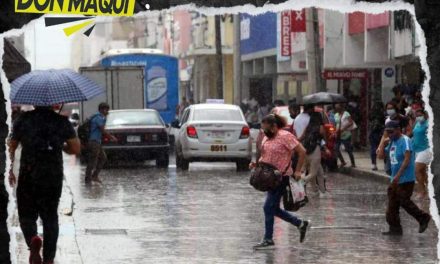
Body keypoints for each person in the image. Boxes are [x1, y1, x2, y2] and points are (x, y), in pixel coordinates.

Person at [8, 105, 81, 264]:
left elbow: (11, 146)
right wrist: (60, 145)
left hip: (29, 173)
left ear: (35, 103)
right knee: (50, 217)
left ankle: (33, 239)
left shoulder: (23, 120)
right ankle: (48, 259)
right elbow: (75, 148)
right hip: (52, 175)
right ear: (54, 103)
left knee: (26, 215)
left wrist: (9, 169)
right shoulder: (61, 122)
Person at [251, 114, 310, 249]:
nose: (264, 131)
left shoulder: (285, 136)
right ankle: (300, 224)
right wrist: (256, 165)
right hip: (268, 177)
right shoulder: (266, 137)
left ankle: (268, 239)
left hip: (281, 177)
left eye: (266, 128)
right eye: (262, 128)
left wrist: (298, 171)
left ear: (274, 126)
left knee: (268, 207)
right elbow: (266, 155)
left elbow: (302, 152)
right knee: (274, 208)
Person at [378, 120, 431, 236]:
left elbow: (407, 160)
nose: (390, 134)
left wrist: (398, 175)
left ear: (398, 130)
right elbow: (380, 156)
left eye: (391, 132)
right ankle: (395, 229)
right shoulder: (391, 142)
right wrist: (383, 142)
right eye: (388, 132)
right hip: (394, 179)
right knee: (392, 206)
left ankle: (423, 217)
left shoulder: (405, 140)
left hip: (405, 179)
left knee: (404, 201)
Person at [85, 103, 116, 184]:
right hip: (94, 142)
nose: (107, 112)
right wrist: (111, 137)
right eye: (106, 110)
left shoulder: (100, 117)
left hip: (97, 142)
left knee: (103, 158)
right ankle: (88, 179)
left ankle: (94, 176)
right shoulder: (98, 118)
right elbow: (102, 130)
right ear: (102, 109)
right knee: (93, 161)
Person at [302, 112, 329, 197]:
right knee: (313, 173)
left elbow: (302, 137)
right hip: (315, 151)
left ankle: (319, 191)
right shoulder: (320, 127)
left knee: (319, 171)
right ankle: (302, 182)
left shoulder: (308, 127)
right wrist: (326, 148)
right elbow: (322, 139)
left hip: (306, 150)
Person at [412, 109, 432, 200]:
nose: (419, 117)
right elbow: (415, 135)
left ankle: (422, 191)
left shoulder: (428, 124)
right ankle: (430, 191)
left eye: (420, 115)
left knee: (416, 170)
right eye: (417, 115)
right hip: (417, 150)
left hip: (426, 149)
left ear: (425, 115)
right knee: (423, 172)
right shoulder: (417, 124)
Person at [334, 103, 356, 168]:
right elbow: (336, 124)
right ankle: (342, 162)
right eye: (336, 107)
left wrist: (344, 128)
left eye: (338, 107)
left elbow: (351, 122)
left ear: (341, 107)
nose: (337, 109)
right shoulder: (336, 115)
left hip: (346, 134)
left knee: (348, 149)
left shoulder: (346, 114)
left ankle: (353, 163)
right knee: (336, 149)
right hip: (338, 134)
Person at [369, 102, 385, 171]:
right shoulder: (382, 114)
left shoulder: (372, 113)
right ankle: (385, 164)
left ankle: (373, 164)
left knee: (373, 148)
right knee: (383, 148)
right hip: (381, 133)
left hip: (373, 132)